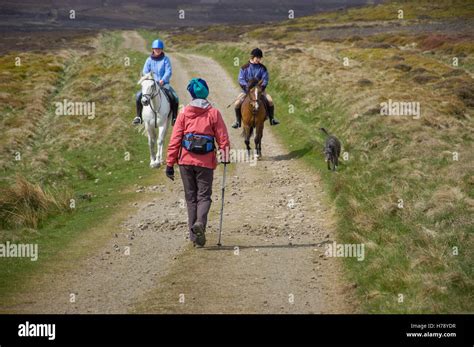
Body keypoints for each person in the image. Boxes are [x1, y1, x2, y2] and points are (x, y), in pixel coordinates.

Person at [165, 78, 230, 247]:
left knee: (191, 198)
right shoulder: (213, 113)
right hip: (206, 163)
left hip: (185, 161)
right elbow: (223, 137)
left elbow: (175, 140)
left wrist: (170, 164)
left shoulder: (184, 113)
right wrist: (225, 154)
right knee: (204, 196)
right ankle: (200, 223)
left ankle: (194, 238)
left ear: (192, 94)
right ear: (206, 93)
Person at [133, 39, 179, 125]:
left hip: (163, 84)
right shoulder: (149, 60)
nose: (157, 50)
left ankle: (174, 118)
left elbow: (168, 71)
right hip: (151, 85)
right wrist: (150, 80)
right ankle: (138, 117)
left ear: (162, 49)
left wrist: (163, 80)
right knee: (138, 95)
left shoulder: (166, 59)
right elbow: (145, 72)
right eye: (156, 48)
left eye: (159, 49)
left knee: (175, 97)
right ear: (153, 49)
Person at [231, 47, 279, 128]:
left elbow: (265, 79)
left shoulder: (262, 68)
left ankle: (272, 119)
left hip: (259, 91)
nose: (258, 59)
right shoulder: (244, 67)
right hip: (246, 91)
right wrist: (247, 88)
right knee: (237, 103)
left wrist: (261, 88)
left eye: (260, 58)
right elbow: (241, 79)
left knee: (270, 101)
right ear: (252, 57)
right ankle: (238, 121)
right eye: (257, 57)